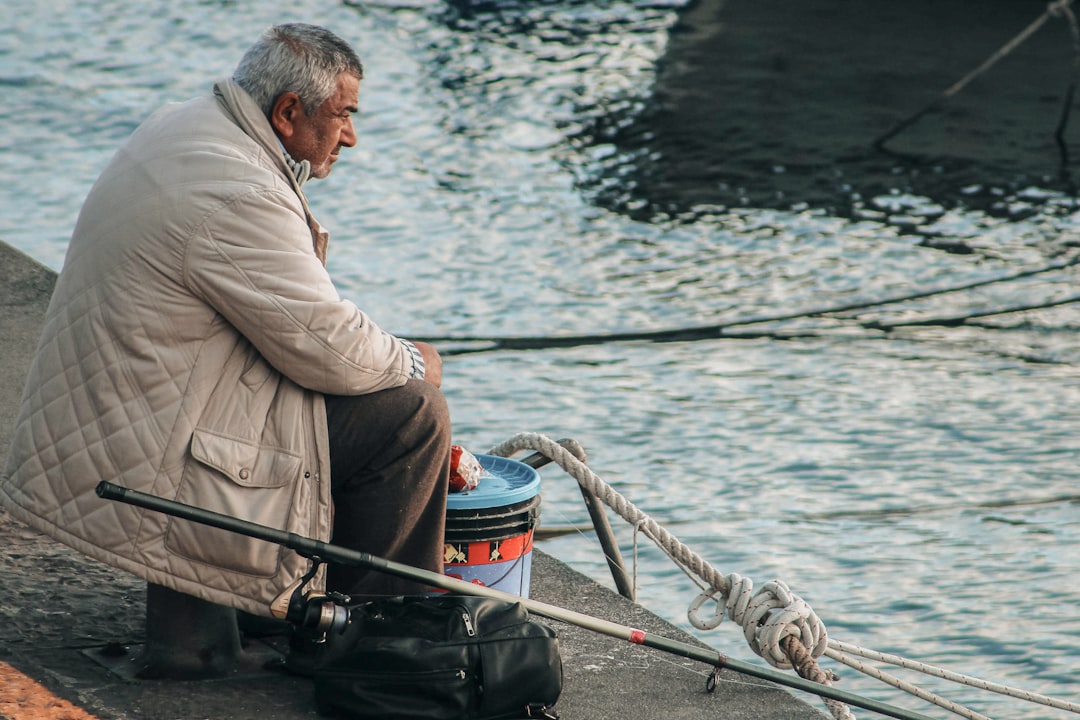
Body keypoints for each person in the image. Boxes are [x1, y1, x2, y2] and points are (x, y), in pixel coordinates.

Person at [0, 23, 451, 620]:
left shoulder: (187, 124)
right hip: (151, 450)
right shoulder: (241, 190)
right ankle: (381, 639)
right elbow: (330, 348)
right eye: (343, 115)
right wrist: (416, 360)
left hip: (120, 420)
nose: (352, 136)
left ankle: (282, 611)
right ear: (289, 111)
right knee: (412, 415)